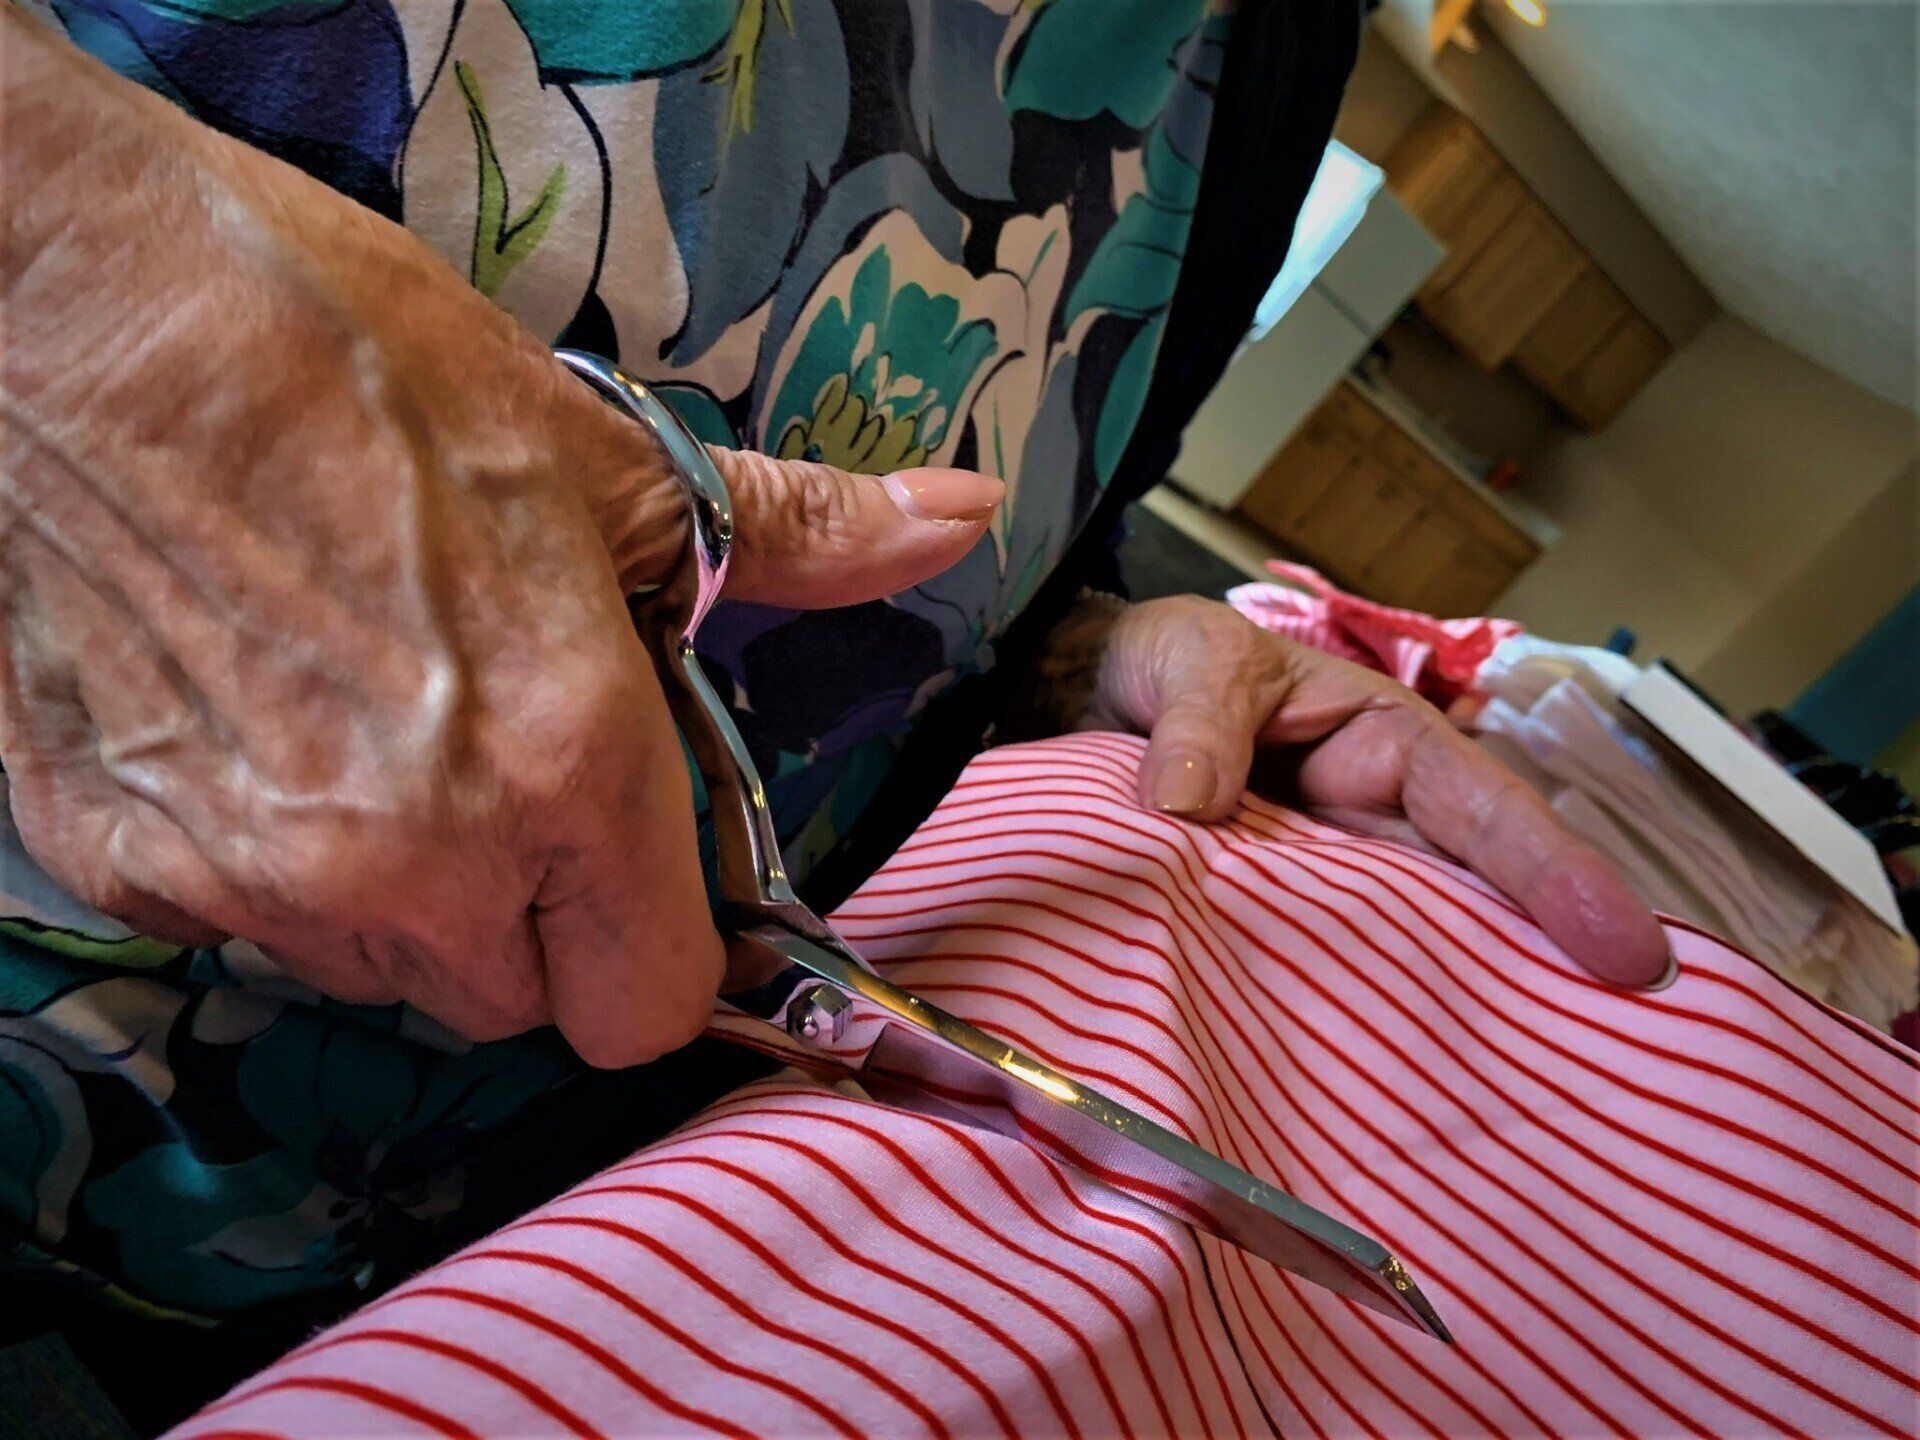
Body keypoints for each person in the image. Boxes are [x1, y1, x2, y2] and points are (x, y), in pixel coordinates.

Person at [0, 0, 1666, 1403]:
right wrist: (70, 301)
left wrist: (1087, 664)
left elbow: (927, 565)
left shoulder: (1274, 51)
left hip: (337, 1297)